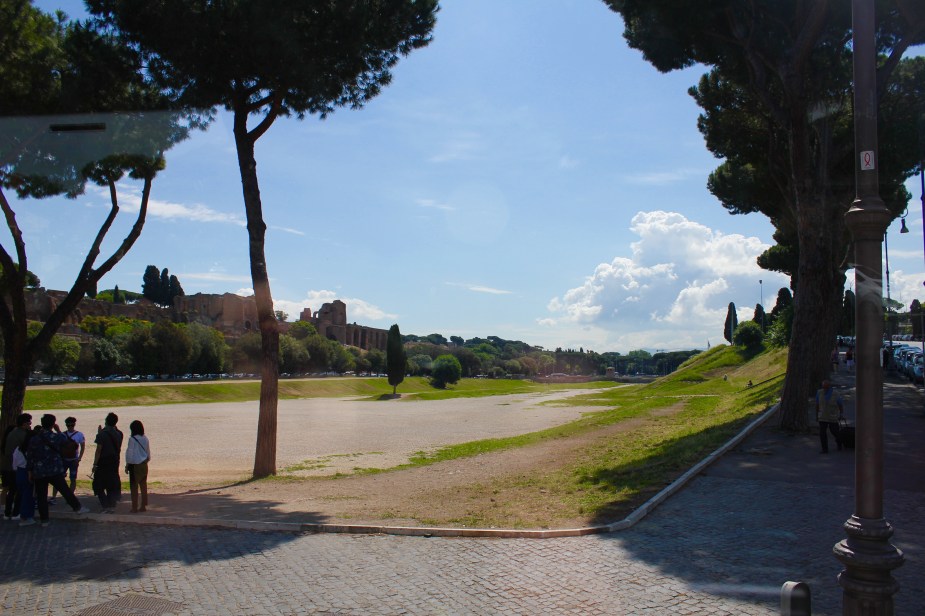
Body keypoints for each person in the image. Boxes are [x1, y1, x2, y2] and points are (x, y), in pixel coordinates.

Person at [27, 414, 90, 525]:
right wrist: (58, 430)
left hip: (40, 470)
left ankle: (44, 520)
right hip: (54, 469)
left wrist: (30, 471)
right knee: (64, 490)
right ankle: (77, 507)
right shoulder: (57, 437)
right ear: (52, 424)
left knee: (42, 496)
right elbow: (68, 442)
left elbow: (30, 456)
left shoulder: (34, 439)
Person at [2, 413, 33, 520]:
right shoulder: (23, 434)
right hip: (19, 466)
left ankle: (7, 512)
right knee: (20, 490)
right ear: (24, 424)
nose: (30, 425)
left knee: (11, 491)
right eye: (29, 423)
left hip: (9, 466)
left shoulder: (12, 433)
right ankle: (16, 513)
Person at [93, 412, 123, 513]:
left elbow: (98, 450)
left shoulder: (102, 434)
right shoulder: (119, 433)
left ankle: (105, 505)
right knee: (112, 483)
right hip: (114, 461)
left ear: (106, 421)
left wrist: (94, 464)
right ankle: (112, 504)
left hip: (103, 461)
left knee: (98, 484)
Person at [50, 416, 85, 505]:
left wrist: (79, 458)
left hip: (70, 460)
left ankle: (67, 497)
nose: (70, 427)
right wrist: (79, 458)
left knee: (71, 479)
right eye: (69, 425)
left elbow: (83, 446)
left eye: (71, 425)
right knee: (62, 479)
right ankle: (56, 497)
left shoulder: (65, 435)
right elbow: (82, 446)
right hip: (68, 460)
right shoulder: (78, 434)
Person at [124, 420, 151, 513]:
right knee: (143, 486)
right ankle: (143, 505)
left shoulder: (132, 439)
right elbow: (148, 452)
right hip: (144, 464)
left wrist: (127, 464)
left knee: (134, 487)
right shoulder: (145, 438)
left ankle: (134, 507)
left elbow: (129, 453)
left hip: (135, 465)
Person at [14, 429, 37, 526]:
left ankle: (23, 515)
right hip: (28, 473)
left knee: (22, 494)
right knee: (28, 496)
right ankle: (26, 516)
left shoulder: (18, 449)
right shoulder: (32, 450)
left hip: (19, 472)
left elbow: (14, 463)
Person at [815, 379, 844, 454]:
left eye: (826, 387)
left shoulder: (836, 393)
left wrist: (841, 414)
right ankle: (825, 449)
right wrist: (816, 415)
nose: (825, 389)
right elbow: (817, 404)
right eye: (823, 387)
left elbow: (840, 404)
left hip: (832, 416)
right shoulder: (819, 392)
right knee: (822, 433)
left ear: (829, 387)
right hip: (822, 416)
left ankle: (839, 443)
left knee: (835, 432)